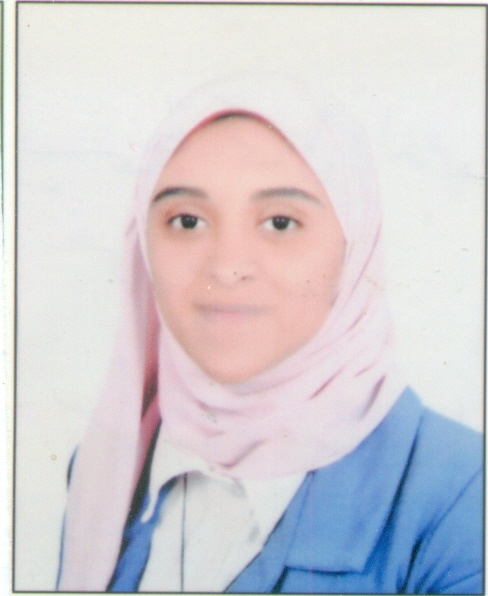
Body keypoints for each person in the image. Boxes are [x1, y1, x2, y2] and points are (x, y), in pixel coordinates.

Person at [56, 74, 482, 594]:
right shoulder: (107, 473)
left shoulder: (460, 498)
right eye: (187, 221)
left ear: (354, 245)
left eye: (280, 222)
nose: (228, 266)